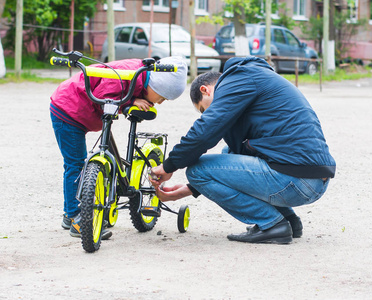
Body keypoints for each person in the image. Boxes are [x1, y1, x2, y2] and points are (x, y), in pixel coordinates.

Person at [151, 56, 336, 244]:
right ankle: (288, 220)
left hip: (296, 180)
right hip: (312, 178)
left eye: (202, 109)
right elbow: (237, 153)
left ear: (204, 90)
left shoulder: (238, 79)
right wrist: (191, 189)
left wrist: (168, 166)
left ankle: (272, 225)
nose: (205, 113)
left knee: (197, 171)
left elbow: (206, 130)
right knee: (228, 153)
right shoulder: (253, 76)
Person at [50, 56, 187, 239]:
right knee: (75, 163)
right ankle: (74, 215)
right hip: (68, 110)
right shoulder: (126, 75)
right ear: (154, 85)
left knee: (82, 160)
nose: (160, 102)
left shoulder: (141, 75)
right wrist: (129, 103)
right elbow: (103, 96)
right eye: (161, 97)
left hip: (82, 111)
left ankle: (80, 209)